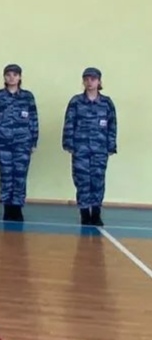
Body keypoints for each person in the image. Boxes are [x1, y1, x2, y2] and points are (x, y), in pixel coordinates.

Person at [63, 67, 118, 226]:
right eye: (86, 79)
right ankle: (84, 213)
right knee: (82, 181)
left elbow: (112, 126)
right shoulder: (76, 102)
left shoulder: (106, 103)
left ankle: (96, 212)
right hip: (80, 149)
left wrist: (111, 146)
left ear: (99, 81)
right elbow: (69, 124)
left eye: (93, 79)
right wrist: (68, 143)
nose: (89, 82)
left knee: (98, 181)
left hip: (100, 150)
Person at [0, 63, 39, 222]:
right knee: (6, 175)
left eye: (15, 75)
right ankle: (7, 208)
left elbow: (33, 120)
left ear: (20, 77)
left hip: (23, 143)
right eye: (8, 75)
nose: (11, 78)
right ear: (4, 77)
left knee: (20, 176)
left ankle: (17, 207)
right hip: (2, 143)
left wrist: (34, 141)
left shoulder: (27, 97)